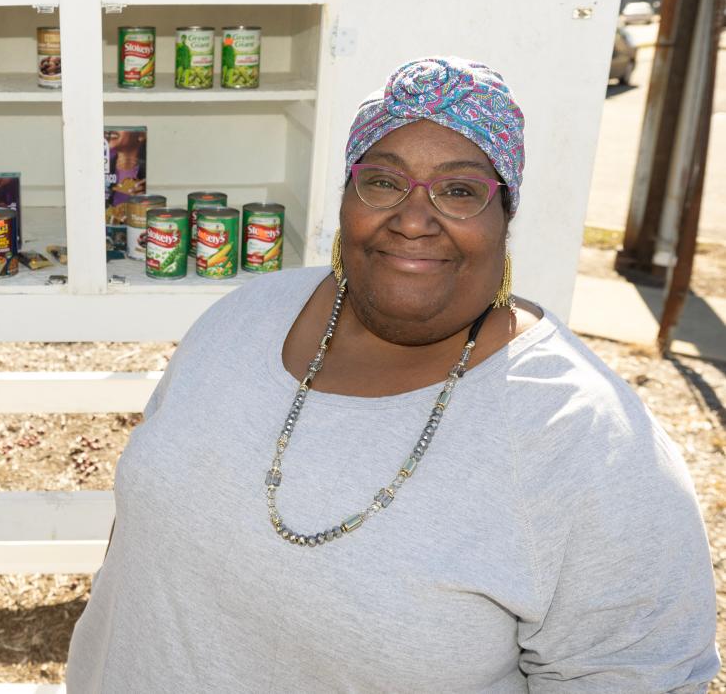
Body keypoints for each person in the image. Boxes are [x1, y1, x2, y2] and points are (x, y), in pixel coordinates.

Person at [66, 57, 720, 691]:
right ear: (349, 196)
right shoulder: (243, 318)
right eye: (383, 180)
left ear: (505, 217)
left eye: (460, 191)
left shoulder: (585, 440)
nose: (413, 218)